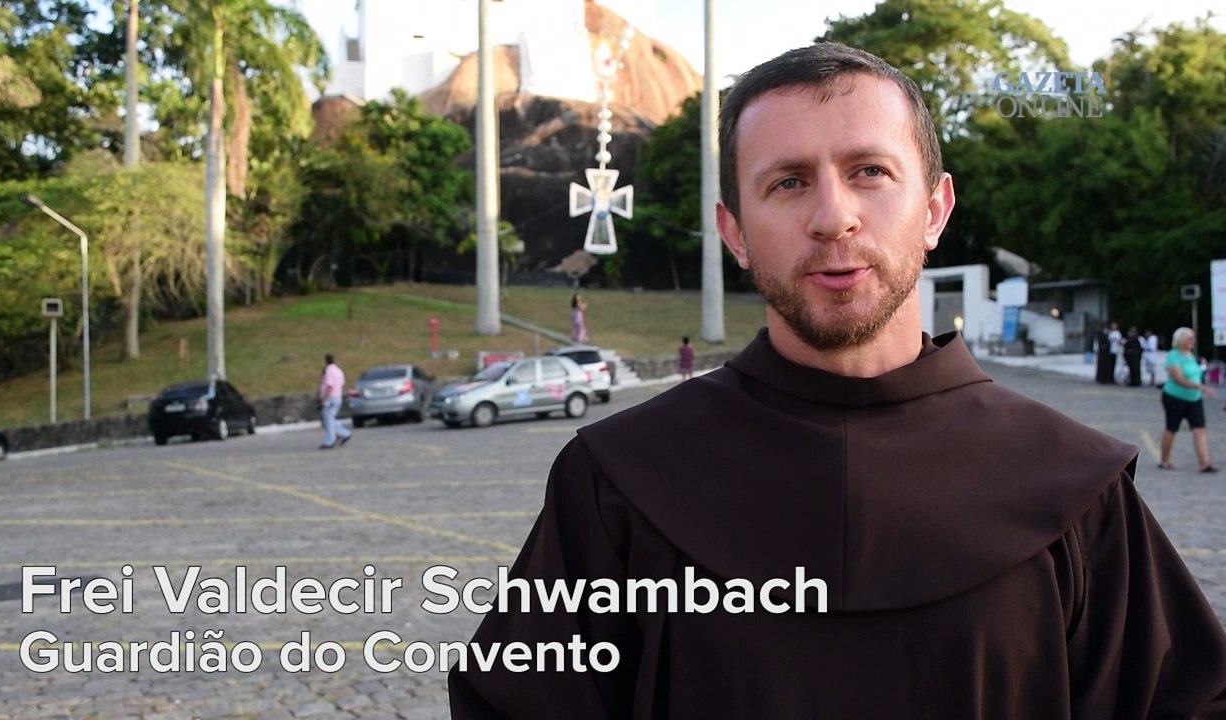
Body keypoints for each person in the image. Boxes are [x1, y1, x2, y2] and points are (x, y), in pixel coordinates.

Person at [449, 43, 1226, 717]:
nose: (833, 216)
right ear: (735, 232)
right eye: (787, 182)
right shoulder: (617, 483)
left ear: (934, 207)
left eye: (870, 171)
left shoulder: (1075, 492)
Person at [1158, 327, 1218, 473]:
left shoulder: (1191, 355)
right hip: (1174, 397)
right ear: (1180, 340)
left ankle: (1205, 463)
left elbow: (1196, 372)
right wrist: (1200, 387)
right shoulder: (1173, 356)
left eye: (1193, 339)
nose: (1193, 342)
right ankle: (1165, 459)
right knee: (1172, 428)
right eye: (1190, 339)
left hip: (1194, 398)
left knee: (1200, 429)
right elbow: (1178, 379)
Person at [318, 353, 351, 449]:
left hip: (330, 398)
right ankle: (344, 434)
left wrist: (324, 399)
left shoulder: (329, 370)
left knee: (328, 419)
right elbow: (342, 383)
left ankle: (330, 441)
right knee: (330, 418)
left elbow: (329, 385)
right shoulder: (339, 370)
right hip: (338, 396)